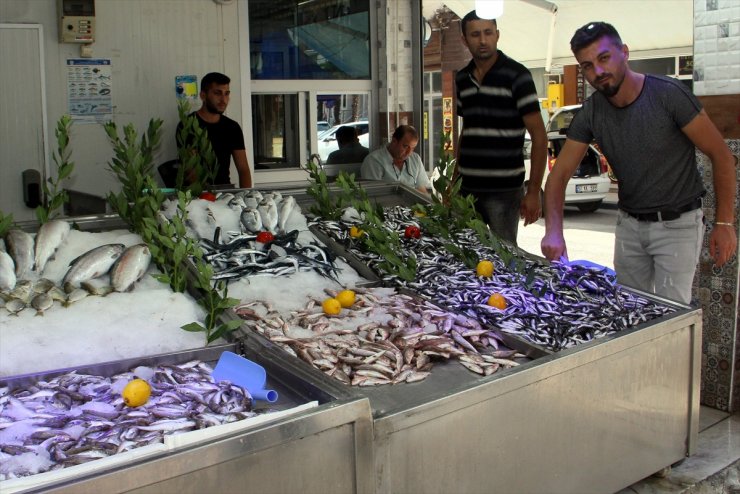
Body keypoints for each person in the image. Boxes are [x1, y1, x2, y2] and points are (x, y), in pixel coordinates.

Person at [541, 21, 737, 305]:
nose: (597, 71)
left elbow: (721, 155)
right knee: (629, 312)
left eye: (604, 58)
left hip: (678, 225)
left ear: (624, 52)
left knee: (671, 317)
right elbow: (558, 177)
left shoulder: (668, 95)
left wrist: (724, 222)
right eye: (587, 65)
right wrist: (554, 231)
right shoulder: (592, 112)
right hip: (629, 226)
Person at [454, 10, 548, 244]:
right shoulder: (462, 78)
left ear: (498, 35)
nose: (483, 40)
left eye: (488, 33)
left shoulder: (517, 76)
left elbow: (539, 135)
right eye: (475, 34)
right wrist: (455, 181)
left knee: (505, 257)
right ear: (465, 40)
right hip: (467, 189)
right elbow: (468, 130)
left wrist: (534, 191)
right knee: (466, 253)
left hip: (504, 191)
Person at [177, 72, 252, 188]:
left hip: (226, 193)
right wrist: (206, 197)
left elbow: (243, 170)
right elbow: (191, 172)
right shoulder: (187, 125)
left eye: (226, 94)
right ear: (203, 95)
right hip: (198, 196)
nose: (223, 99)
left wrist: (246, 198)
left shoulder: (232, 127)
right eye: (217, 93)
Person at [360, 125, 431, 194]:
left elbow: (422, 188)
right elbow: (372, 194)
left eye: (412, 148)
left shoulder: (415, 159)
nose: (409, 152)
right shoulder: (373, 161)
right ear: (394, 141)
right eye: (406, 146)